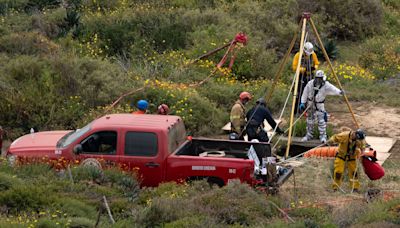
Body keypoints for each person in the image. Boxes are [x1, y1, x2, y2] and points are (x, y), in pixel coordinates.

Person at [300, 70, 343, 143]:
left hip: (320, 105)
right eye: (318, 78)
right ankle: (309, 135)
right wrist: (303, 102)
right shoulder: (310, 84)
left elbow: (333, 88)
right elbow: (305, 92)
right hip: (310, 104)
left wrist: (339, 92)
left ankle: (323, 136)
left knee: (321, 121)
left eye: (321, 78)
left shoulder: (326, 84)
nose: (319, 80)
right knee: (310, 121)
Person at [292, 42, 320, 114]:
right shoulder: (298, 55)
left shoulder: (313, 54)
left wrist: (314, 67)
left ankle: (309, 108)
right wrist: (304, 69)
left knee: (311, 92)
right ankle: (297, 110)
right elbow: (294, 67)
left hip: (310, 76)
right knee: (300, 93)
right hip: (301, 76)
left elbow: (317, 63)